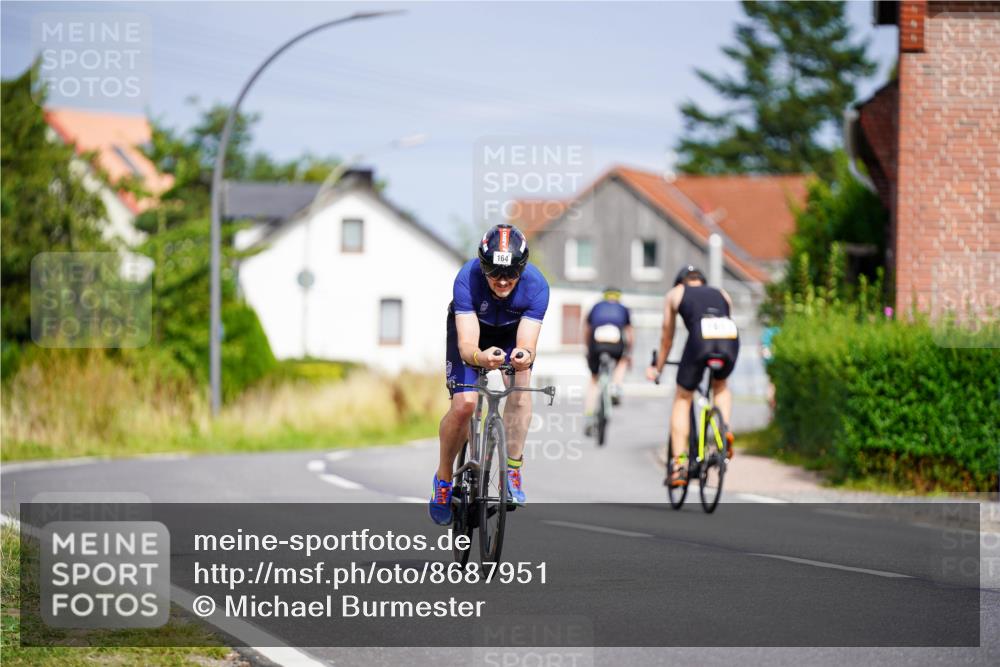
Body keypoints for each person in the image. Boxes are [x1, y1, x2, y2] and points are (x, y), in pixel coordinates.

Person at [430, 223, 550, 525]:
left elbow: (527, 344)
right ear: (482, 266)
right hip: (474, 336)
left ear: (522, 268)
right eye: (494, 272)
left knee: (520, 391)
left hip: (512, 335)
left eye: (511, 273)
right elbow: (467, 343)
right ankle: (443, 479)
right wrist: (480, 357)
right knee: (465, 404)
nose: (502, 280)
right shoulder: (467, 279)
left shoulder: (537, 286)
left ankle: (512, 468)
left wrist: (523, 357)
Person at [646, 265, 739, 487]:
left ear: (681, 282)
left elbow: (666, 338)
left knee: (683, 397)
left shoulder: (675, 293)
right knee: (720, 385)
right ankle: (724, 431)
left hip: (700, 336)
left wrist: (657, 368)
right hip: (729, 335)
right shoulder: (721, 293)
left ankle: (679, 466)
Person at [583, 287, 633, 436]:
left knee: (593, 380)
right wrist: (629, 353)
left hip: (596, 343)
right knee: (622, 360)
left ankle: (589, 416)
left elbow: (587, 328)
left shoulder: (596, 307)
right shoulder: (623, 308)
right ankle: (616, 388)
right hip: (615, 341)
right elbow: (630, 333)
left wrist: (588, 349)